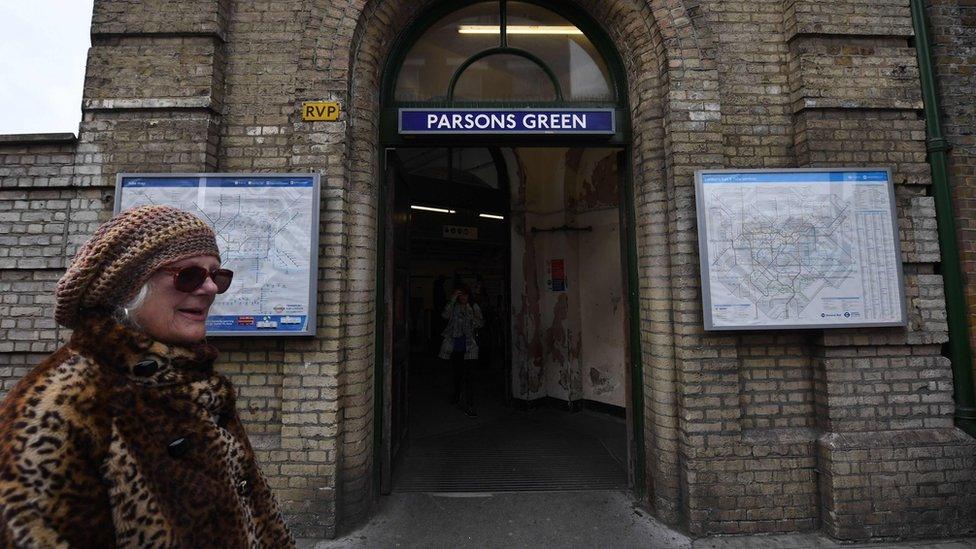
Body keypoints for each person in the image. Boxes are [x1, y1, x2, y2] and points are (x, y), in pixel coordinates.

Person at [0, 205, 295, 548]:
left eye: (217, 275)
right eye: (189, 275)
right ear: (128, 289)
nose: (210, 288)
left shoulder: (192, 384)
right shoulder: (63, 404)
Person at [439, 285, 483, 417]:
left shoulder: (474, 307)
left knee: (470, 376)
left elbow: (481, 323)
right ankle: (456, 395)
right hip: (456, 344)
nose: (463, 297)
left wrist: (473, 321)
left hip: (470, 345)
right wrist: (452, 299)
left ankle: (470, 404)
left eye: (465, 295)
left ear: (469, 296)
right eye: (461, 295)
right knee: (457, 373)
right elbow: (444, 315)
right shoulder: (454, 307)